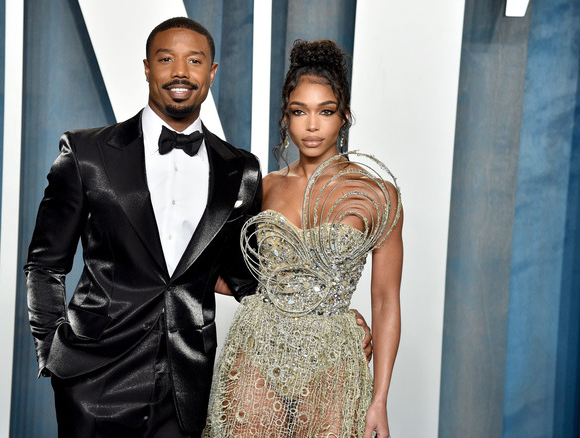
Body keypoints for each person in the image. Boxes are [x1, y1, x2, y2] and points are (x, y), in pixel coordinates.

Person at [23, 17, 261, 437]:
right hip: (94, 377)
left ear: (212, 71)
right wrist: (54, 354)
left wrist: (329, 317)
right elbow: (45, 265)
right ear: (147, 67)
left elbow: (247, 278)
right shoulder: (85, 152)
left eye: (195, 60)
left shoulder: (241, 170)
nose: (181, 72)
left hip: (186, 381)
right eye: (166, 59)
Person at [203, 39, 403, 438]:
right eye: (299, 112)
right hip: (257, 350)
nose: (312, 126)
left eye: (325, 111)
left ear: (344, 116)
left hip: (334, 360)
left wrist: (380, 399)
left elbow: (385, 301)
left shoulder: (378, 193)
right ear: (286, 117)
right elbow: (218, 268)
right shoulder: (264, 186)